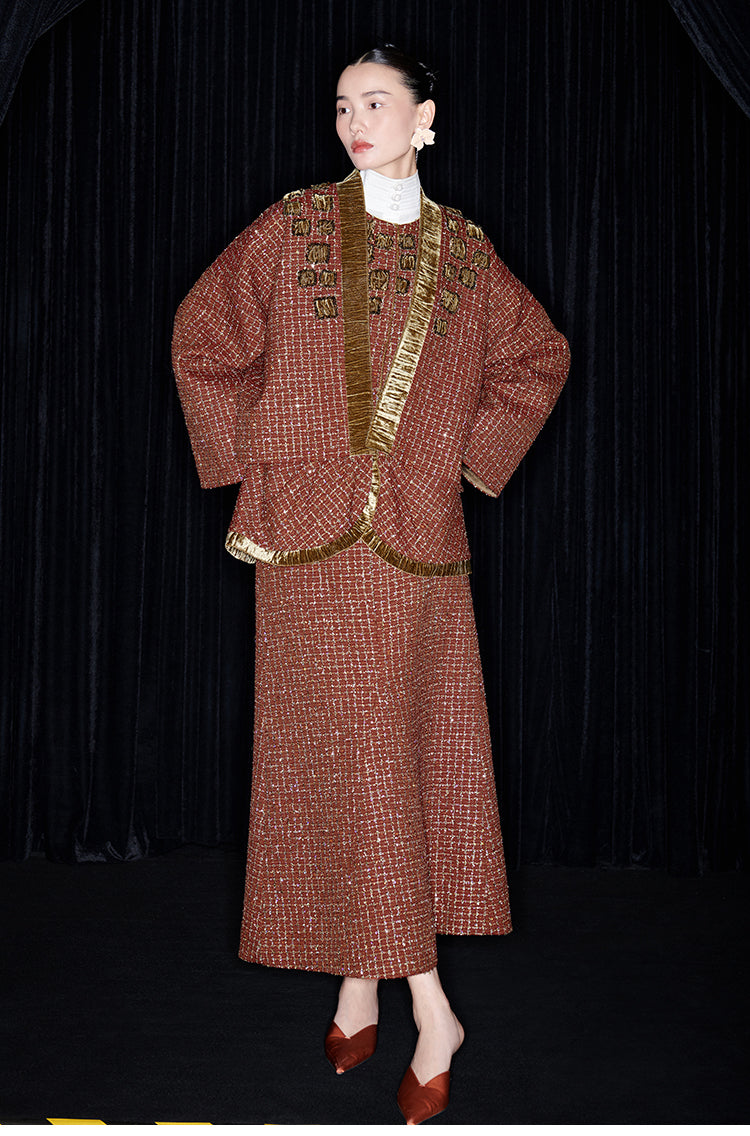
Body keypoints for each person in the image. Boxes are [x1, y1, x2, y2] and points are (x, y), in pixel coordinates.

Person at [172, 45, 570, 1125]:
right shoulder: (293, 227)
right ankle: (379, 987)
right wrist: (264, 457)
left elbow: (538, 358)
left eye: (378, 102)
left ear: (426, 118)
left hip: (416, 544)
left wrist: (458, 460)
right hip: (303, 545)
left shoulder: (467, 253)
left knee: (392, 759)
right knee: (343, 757)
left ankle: (418, 1003)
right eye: (344, 104)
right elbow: (203, 338)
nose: (355, 120)